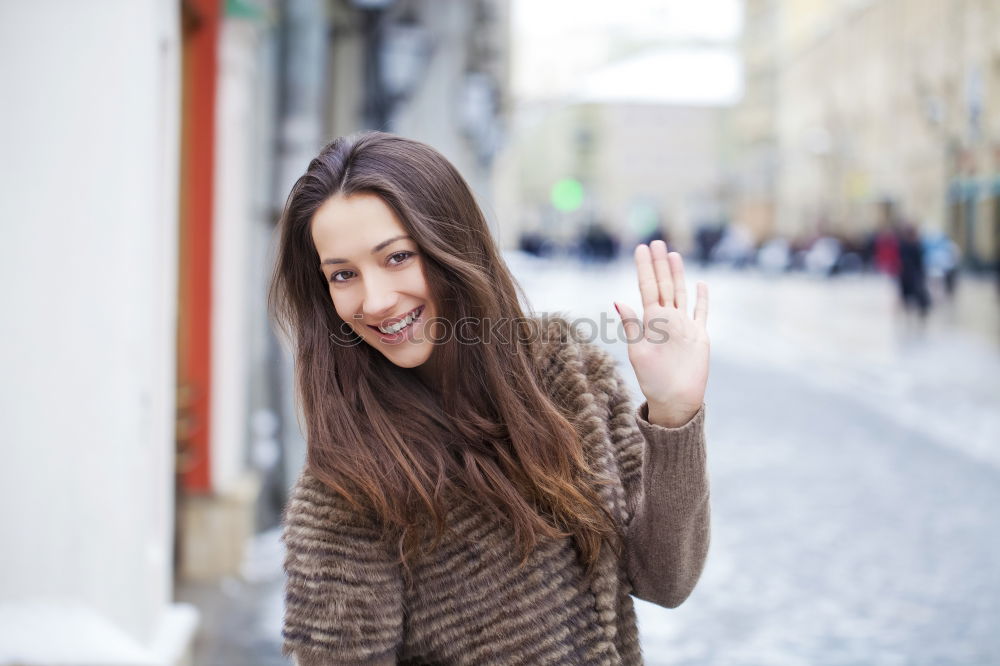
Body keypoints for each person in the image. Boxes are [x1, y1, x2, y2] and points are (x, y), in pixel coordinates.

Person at [268, 131, 712, 665]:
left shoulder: (567, 373)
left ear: (453, 244)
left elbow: (664, 580)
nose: (376, 301)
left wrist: (674, 411)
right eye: (343, 275)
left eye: (397, 257)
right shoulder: (348, 484)